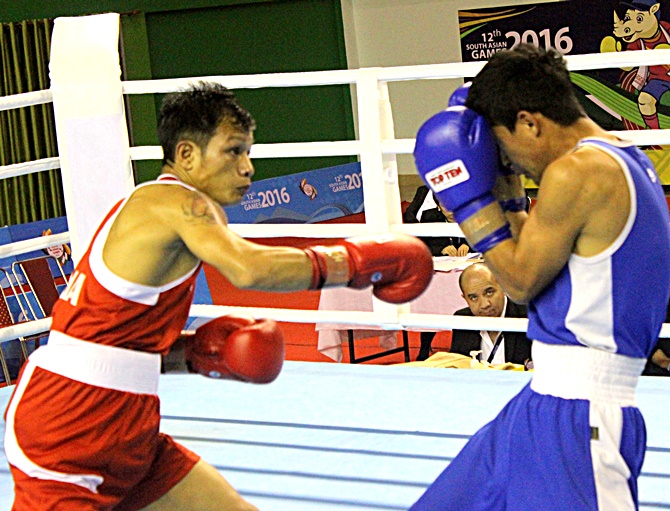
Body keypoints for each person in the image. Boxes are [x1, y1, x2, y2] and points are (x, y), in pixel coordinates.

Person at [3, 82, 434, 511]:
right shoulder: (179, 203)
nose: (247, 167)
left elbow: (115, 345)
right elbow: (248, 267)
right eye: (233, 151)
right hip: (69, 428)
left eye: (248, 152)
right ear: (187, 154)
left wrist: (194, 355)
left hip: (126, 428)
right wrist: (354, 263)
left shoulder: (160, 210)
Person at [412, 43, 670, 511]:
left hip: (581, 415)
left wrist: (472, 204)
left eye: (504, 146)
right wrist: (505, 195)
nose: (507, 162)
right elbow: (537, 255)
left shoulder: (579, 171)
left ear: (530, 122)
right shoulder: (626, 159)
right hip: (541, 402)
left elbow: (520, 281)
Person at [449, 263, 532, 367]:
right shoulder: (462, 320)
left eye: (489, 292)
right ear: (465, 298)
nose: (484, 304)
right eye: (473, 297)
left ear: (503, 286)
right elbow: (457, 367)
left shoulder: (529, 315)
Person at [403, 185, 471, 257]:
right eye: (445, 206)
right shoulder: (430, 219)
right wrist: (440, 249)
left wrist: (468, 245)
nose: (451, 211)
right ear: (438, 207)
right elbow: (421, 244)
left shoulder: (470, 214)